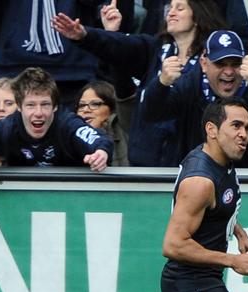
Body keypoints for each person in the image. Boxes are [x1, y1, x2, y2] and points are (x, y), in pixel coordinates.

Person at [85, 97, 248, 292]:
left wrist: (238, 232)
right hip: (192, 285)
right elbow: (173, 245)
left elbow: (216, 207)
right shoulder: (200, 181)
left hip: (203, 282)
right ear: (212, 130)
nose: (244, 134)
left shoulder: (219, 160)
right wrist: (232, 260)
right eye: (236, 125)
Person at [52, 0, 226, 167]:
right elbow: (119, 46)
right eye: (170, 7)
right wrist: (85, 35)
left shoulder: (213, 60)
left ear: (197, 17)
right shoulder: (155, 49)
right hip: (145, 163)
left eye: (179, 9)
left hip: (191, 165)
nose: (171, 13)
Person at [141, 29, 248, 168]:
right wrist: (161, 83)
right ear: (204, 64)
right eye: (220, 64)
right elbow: (151, 114)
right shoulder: (188, 86)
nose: (228, 71)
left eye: (235, 64)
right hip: (197, 181)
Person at [74, 80, 129, 166]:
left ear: (112, 108)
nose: (85, 110)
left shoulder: (125, 127)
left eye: (95, 104)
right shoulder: (68, 134)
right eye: (81, 105)